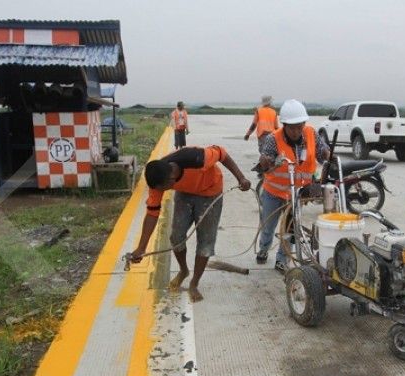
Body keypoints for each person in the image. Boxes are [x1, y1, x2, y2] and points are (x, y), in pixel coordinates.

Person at [128, 145, 250, 302]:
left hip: (210, 192)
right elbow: (152, 213)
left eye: (165, 188)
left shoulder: (198, 158)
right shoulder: (158, 178)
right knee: (176, 236)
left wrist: (241, 178)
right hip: (185, 194)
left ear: (171, 178)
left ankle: (194, 283)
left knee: (205, 243)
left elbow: (222, 153)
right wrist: (141, 248)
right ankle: (184, 270)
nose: (161, 192)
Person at [256, 99, 330, 273]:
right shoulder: (272, 139)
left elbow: (323, 153)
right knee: (268, 226)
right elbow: (265, 161)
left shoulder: (311, 134)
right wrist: (265, 162)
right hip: (273, 192)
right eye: (293, 127)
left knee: (290, 228)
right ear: (284, 125)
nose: (297, 131)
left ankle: (282, 259)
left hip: (297, 194)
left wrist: (328, 154)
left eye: (300, 126)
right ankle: (263, 249)